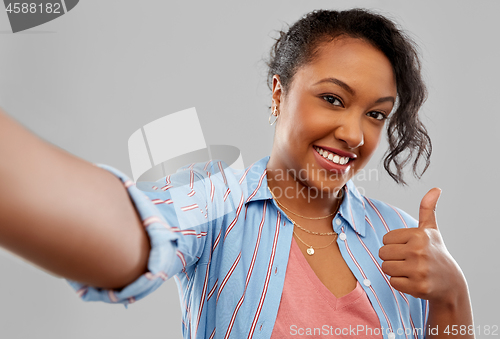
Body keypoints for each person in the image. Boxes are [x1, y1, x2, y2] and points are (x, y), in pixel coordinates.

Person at [0, 8, 473, 339]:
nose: (354, 133)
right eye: (332, 98)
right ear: (278, 94)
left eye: (376, 114)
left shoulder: (396, 233)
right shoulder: (216, 204)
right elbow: (133, 229)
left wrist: (453, 294)